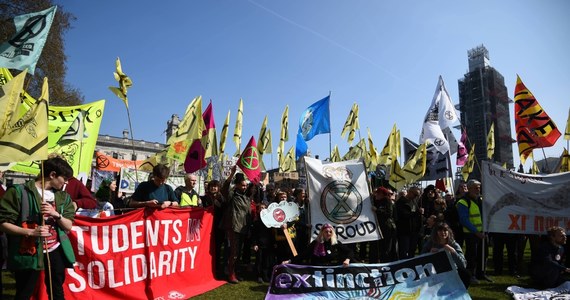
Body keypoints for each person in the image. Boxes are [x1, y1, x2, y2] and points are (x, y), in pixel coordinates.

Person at [0, 156, 76, 300]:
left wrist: (56, 215)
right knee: (24, 292)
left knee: (56, 291)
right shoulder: (18, 191)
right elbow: (3, 223)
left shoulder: (63, 197)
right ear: (52, 175)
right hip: (29, 251)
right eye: (64, 178)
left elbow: (69, 225)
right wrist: (31, 232)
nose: (66, 182)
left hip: (55, 250)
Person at [220, 165, 251, 283]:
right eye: (242, 185)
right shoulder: (232, 196)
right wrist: (232, 174)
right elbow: (224, 188)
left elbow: (247, 214)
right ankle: (230, 274)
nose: (245, 187)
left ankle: (236, 272)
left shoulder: (246, 198)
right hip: (233, 227)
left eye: (245, 185)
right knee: (233, 252)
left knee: (239, 253)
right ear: (237, 185)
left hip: (243, 228)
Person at [457, 179, 491, 284]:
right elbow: (463, 220)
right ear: (470, 188)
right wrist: (476, 232)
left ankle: (481, 274)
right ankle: (471, 275)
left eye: (479, 188)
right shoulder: (463, 201)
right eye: (476, 188)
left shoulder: (480, 200)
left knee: (484, 254)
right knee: (472, 256)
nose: (478, 190)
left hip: (482, 232)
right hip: (471, 234)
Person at [421, 222, 470, 289]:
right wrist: (429, 254)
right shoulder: (430, 243)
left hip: (452, 271)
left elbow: (463, 264)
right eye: (440, 230)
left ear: (448, 232)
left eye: (445, 230)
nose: (443, 232)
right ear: (436, 232)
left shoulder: (454, 244)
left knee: (466, 274)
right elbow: (420, 259)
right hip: (435, 272)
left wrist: (453, 251)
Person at [283, 223, 353, 266]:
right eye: (326, 232)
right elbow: (304, 254)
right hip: (317, 269)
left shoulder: (335, 243)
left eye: (330, 232)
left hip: (331, 268)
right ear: (322, 232)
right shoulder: (316, 243)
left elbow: (350, 251)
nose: (328, 233)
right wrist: (290, 261)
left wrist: (347, 260)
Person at [371, 187, 398, 263]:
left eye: (378, 193)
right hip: (381, 227)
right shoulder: (377, 201)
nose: (376, 195)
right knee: (381, 247)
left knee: (387, 247)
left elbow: (389, 214)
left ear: (382, 194)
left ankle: (387, 262)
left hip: (388, 227)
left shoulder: (388, 201)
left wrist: (377, 210)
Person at [396, 186, 422, 259]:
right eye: (415, 194)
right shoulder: (401, 202)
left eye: (418, 195)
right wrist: (417, 213)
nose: (416, 197)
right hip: (404, 231)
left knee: (412, 251)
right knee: (404, 251)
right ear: (410, 192)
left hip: (414, 231)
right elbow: (404, 215)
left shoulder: (415, 202)